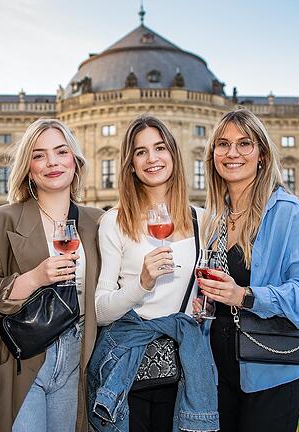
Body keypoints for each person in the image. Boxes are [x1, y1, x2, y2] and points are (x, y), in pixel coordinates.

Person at [195, 108, 299, 432]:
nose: (232, 153)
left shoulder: (289, 214)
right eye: (223, 144)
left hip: (271, 372)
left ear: (262, 155)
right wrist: (205, 304)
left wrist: (244, 295)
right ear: (213, 155)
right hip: (219, 373)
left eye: (244, 144)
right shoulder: (216, 219)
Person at [0, 119, 103, 432]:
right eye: (39, 155)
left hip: (78, 356)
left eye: (61, 152)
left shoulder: (99, 222)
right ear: (27, 168)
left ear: (75, 160)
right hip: (21, 357)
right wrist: (34, 278)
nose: (52, 162)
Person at [94, 115, 207, 431]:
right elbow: (100, 311)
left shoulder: (203, 220)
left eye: (159, 148)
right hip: (129, 371)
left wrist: (206, 302)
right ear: (130, 163)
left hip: (183, 369)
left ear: (173, 154)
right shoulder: (114, 222)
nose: (152, 158)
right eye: (140, 151)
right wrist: (142, 283)